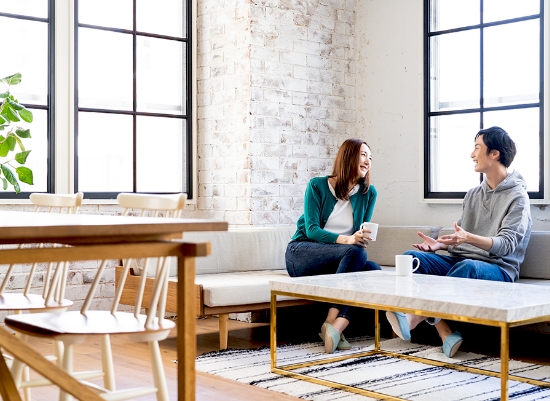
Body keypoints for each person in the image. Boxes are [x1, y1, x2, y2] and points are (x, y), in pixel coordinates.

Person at [386, 126, 532, 358]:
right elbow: (460, 240)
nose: (472, 154)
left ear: (495, 154)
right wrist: (441, 245)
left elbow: (506, 245)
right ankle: (446, 332)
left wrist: (468, 237)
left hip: (499, 270)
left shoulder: (518, 197)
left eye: (477, 148)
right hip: (462, 260)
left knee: (468, 267)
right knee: (410, 258)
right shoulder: (473, 194)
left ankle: (414, 316)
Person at [285, 138, 381, 354]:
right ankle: (329, 319)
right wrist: (349, 240)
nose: (368, 161)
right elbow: (312, 230)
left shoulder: (369, 193)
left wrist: (360, 238)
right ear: (348, 157)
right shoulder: (317, 186)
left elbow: (360, 234)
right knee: (355, 251)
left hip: (340, 258)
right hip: (301, 252)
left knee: (374, 271)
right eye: (363, 155)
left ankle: (338, 326)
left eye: (370, 157)